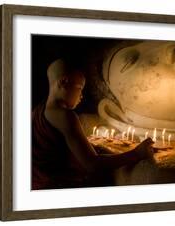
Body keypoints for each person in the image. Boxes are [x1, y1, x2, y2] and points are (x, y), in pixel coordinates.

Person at [32, 58, 155, 190]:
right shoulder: (65, 116)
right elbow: (92, 165)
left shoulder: (36, 111)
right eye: (80, 88)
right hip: (59, 186)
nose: (81, 96)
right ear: (63, 82)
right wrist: (136, 153)